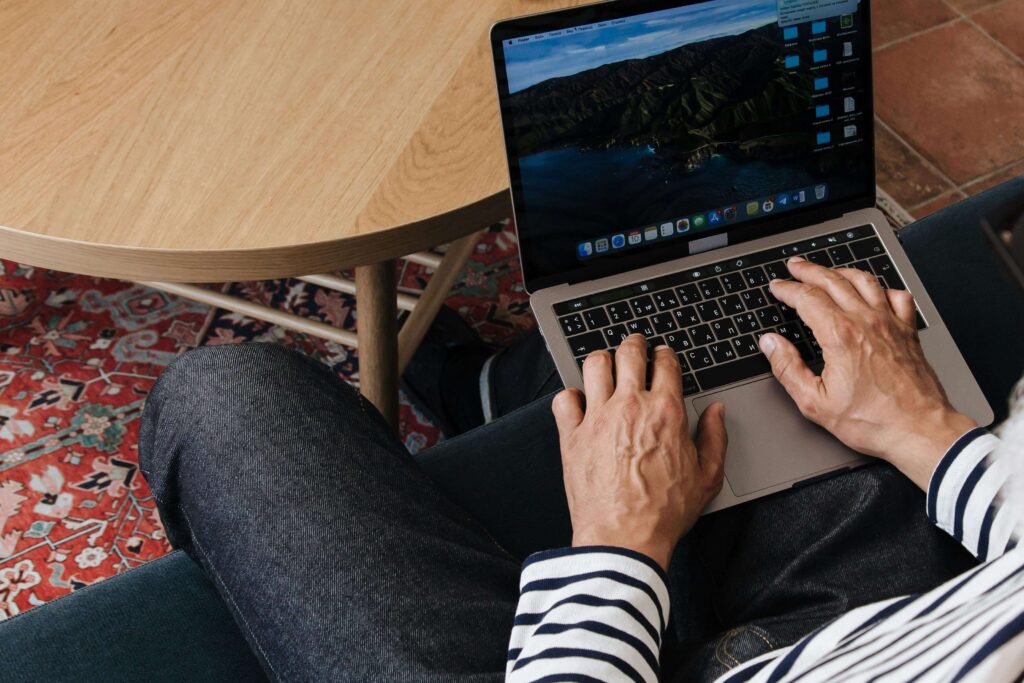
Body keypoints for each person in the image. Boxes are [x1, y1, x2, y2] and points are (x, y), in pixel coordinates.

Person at [139, 182, 1024, 682]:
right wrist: (926, 433)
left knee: (226, 394)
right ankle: (486, 387)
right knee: (763, 304)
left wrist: (619, 540)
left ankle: (480, 394)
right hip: (890, 622)